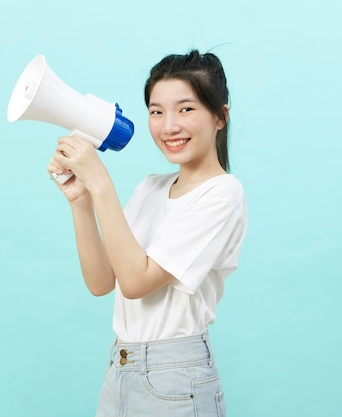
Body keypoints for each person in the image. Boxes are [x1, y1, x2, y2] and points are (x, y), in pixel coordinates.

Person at [47, 49, 247, 417]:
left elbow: (137, 282)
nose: (168, 126)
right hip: (121, 368)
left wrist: (102, 184)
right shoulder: (151, 188)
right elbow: (103, 282)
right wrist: (81, 201)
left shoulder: (222, 195)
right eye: (156, 111)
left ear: (220, 117)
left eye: (186, 109)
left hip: (174, 379)